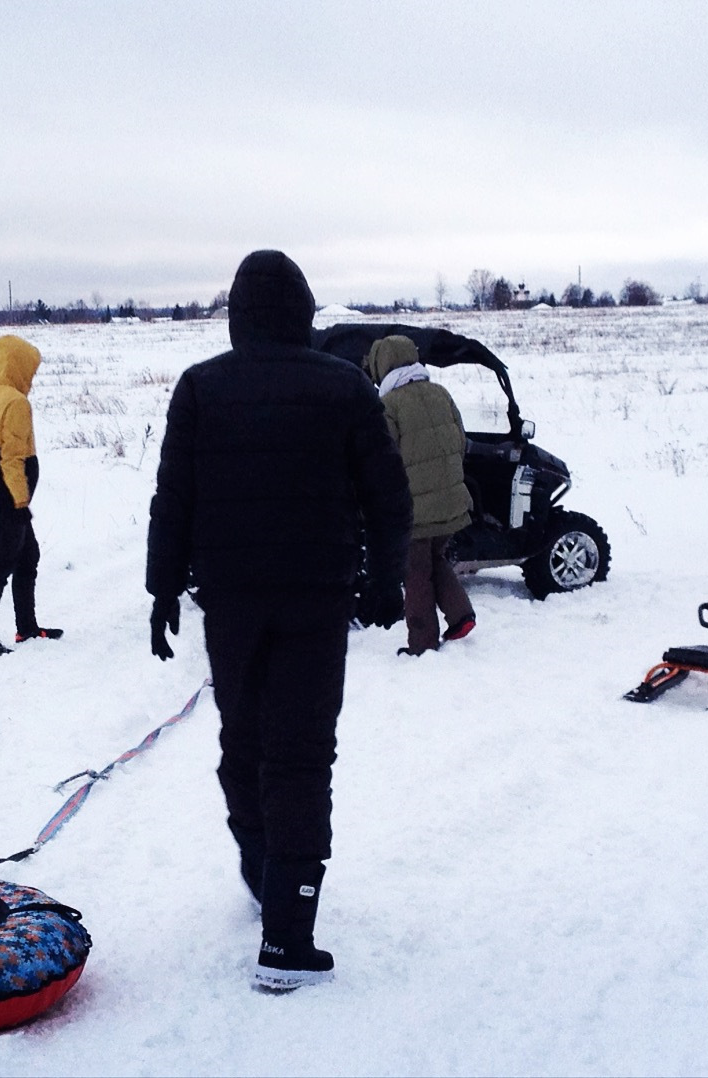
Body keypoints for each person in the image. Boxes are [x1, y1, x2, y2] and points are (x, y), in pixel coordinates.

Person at [146, 250, 411, 992]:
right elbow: (389, 499)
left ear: (238, 315)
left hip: (230, 601)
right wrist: (386, 581)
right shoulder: (344, 386)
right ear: (303, 311)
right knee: (298, 755)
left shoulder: (201, 386)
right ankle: (287, 936)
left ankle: (265, 865)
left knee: (246, 738)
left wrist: (163, 589)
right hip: (315, 600)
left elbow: (174, 499)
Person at [363, 335, 476, 655]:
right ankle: (461, 615)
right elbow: (460, 439)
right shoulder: (441, 393)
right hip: (451, 500)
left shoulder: (389, 405)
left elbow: (385, 458)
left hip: (414, 509)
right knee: (434, 559)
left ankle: (422, 645)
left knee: (414, 574)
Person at [0, 334, 61, 655]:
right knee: (1, 562)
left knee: (27, 555)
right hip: (7, 494)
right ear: (19, 366)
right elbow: (11, 458)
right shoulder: (16, 402)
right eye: (30, 371)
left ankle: (27, 628)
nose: (32, 378)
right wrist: (20, 501)